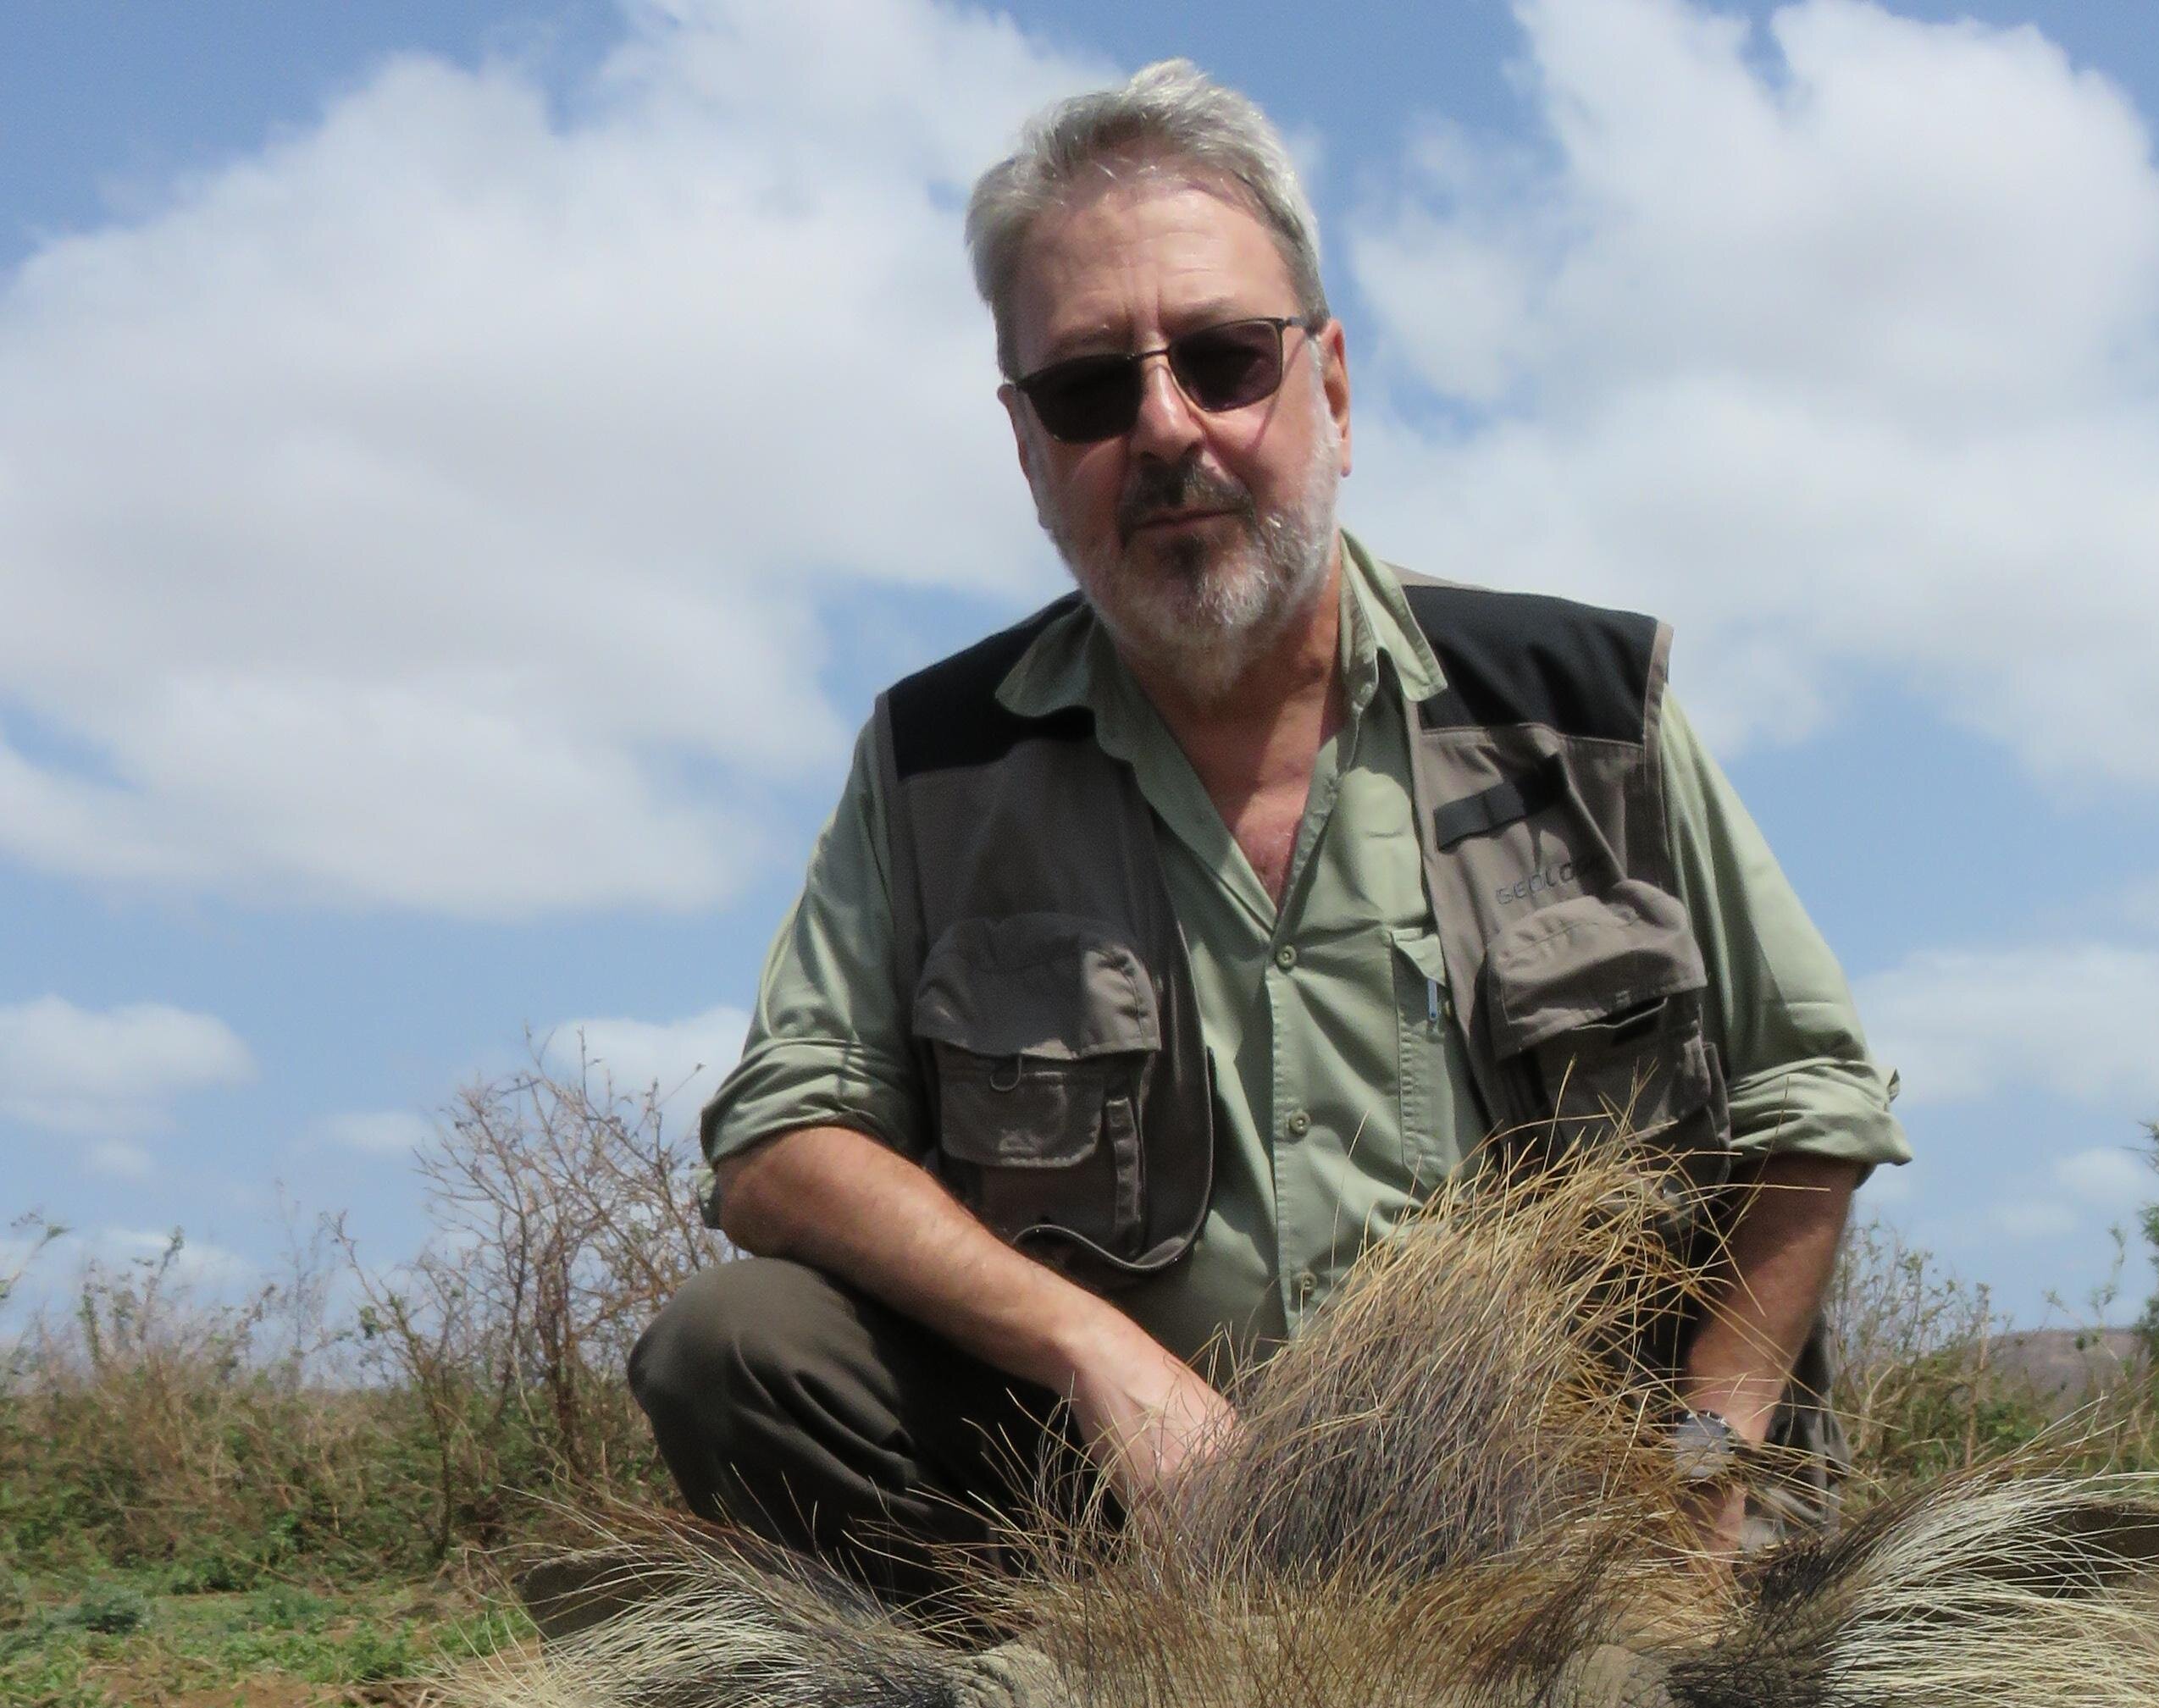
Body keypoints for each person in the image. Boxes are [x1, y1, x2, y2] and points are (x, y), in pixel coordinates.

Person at [629, 62, 1909, 1586]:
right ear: (1028, 446)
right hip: (1139, 1522)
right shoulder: (937, 765)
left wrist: (1706, 1465)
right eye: (1091, 388)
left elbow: (1806, 1101)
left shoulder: (1587, 707)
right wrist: (1098, 1357)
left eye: (1227, 358)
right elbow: (779, 1140)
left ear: (1336, 388)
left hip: (1576, 1521)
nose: (1166, 426)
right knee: (735, 1345)